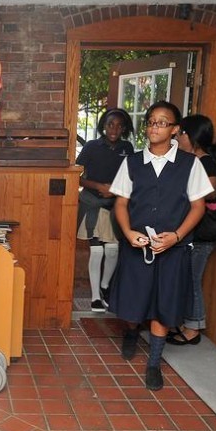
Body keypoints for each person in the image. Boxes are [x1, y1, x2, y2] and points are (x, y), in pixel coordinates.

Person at [107, 101, 213, 390]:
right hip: (137, 245)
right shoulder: (132, 162)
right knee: (133, 300)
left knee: (162, 305)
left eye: (162, 122)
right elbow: (121, 203)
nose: (154, 127)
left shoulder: (190, 165)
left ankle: (154, 362)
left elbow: (198, 207)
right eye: (151, 121)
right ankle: (131, 332)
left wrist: (176, 236)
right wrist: (128, 232)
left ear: (175, 129)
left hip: (172, 248)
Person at [167, 115, 216, 345]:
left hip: (202, 233)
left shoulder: (204, 161)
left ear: (191, 136)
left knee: (192, 280)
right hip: (192, 233)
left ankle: (193, 329)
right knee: (187, 278)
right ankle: (185, 323)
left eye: (180, 134)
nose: (177, 138)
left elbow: (212, 191)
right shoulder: (190, 160)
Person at [76, 108, 134, 312]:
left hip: (115, 205)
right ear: (103, 126)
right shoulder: (92, 146)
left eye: (119, 126)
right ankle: (95, 297)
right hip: (92, 202)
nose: (114, 129)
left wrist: (116, 191)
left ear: (124, 128)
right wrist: (99, 187)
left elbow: (131, 176)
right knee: (97, 250)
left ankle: (104, 286)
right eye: (110, 124)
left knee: (112, 250)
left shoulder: (127, 148)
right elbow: (76, 176)